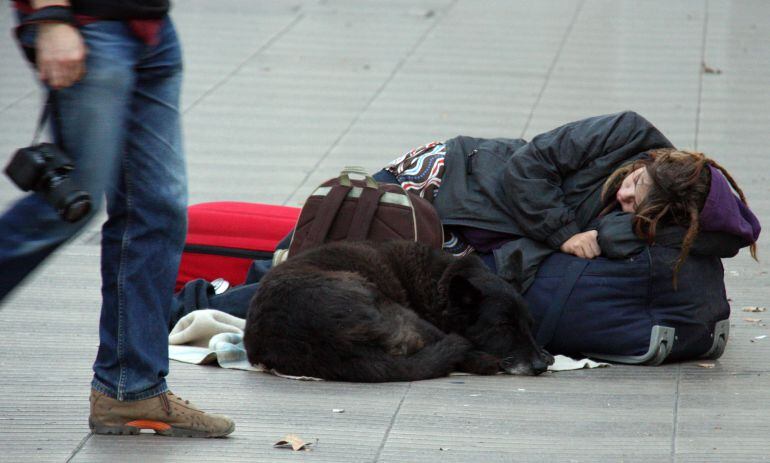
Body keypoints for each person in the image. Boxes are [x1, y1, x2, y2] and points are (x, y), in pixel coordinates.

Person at [1, 0, 234, 437]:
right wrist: (51, 15)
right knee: (65, 209)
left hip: (149, 27)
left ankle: (131, 390)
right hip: (88, 27)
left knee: (156, 210)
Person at [380, 111, 760, 289]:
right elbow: (527, 165)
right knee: (347, 219)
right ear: (652, 161)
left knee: (379, 276)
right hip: (450, 177)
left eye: (635, 205)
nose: (624, 193)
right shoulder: (627, 132)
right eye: (635, 180)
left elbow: (728, 236)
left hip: (478, 239)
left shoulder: (667, 217)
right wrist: (563, 232)